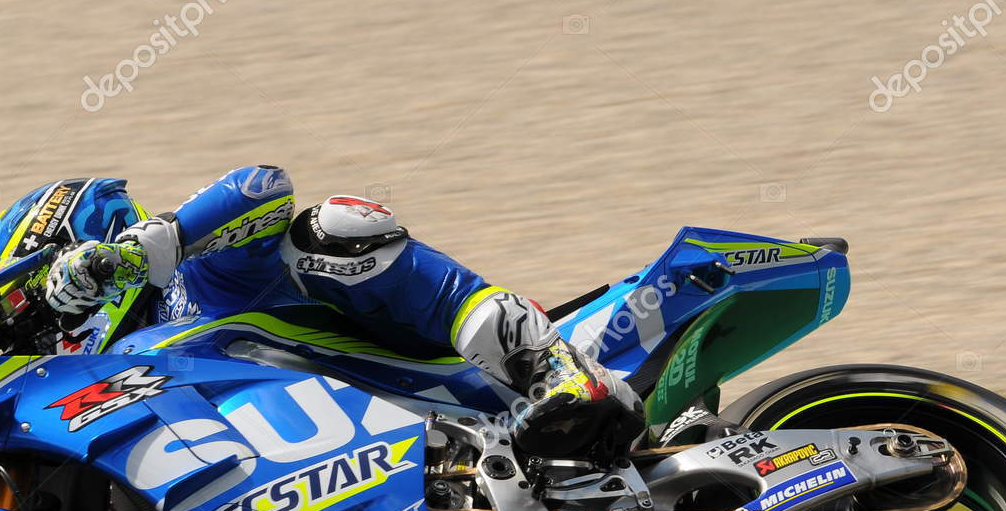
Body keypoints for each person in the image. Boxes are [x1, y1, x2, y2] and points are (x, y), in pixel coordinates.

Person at [36, 165, 644, 460]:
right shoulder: (126, 377)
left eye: (40, 300)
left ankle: (554, 371)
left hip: (445, 382)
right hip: (356, 466)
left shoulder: (199, 273)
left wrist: (126, 257)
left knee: (329, 231)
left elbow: (262, 186)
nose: (49, 329)